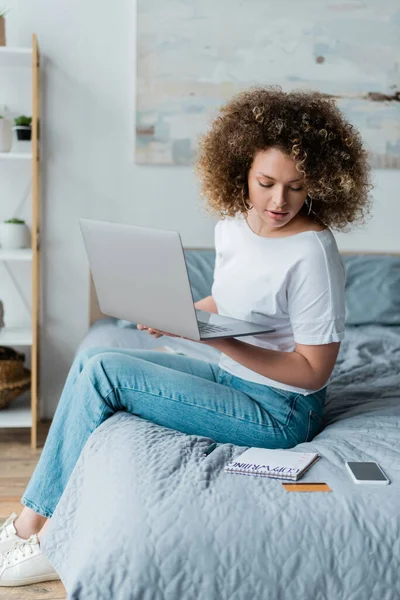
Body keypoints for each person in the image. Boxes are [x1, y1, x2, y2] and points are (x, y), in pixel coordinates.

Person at [0, 86, 372, 587]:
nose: (278, 201)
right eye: (265, 183)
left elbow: (313, 370)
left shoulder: (313, 252)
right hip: (232, 378)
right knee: (96, 361)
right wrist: (181, 313)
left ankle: (34, 527)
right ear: (241, 169)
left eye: (296, 187)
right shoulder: (232, 227)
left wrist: (217, 339)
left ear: (318, 185)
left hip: (283, 413)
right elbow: (230, 301)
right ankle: (38, 516)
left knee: (108, 373)